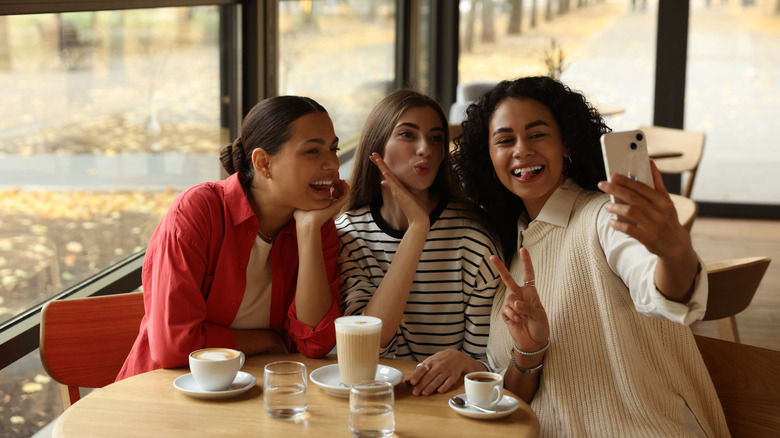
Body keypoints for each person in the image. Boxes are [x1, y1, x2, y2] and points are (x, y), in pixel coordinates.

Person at [452, 76, 729, 436]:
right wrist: (529, 353)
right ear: (489, 158)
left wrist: (674, 252)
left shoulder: (604, 218)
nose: (521, 149)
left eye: (537, 134)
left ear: (566, 144)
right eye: (505, 140)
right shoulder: (509, 252)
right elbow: (516, 397)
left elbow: (662, 292)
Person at [117, 96, 350, 380]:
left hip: (258, 398)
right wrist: (267, 341)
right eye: (313, 151)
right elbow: (175, 347)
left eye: (333, 148)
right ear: (263, 163)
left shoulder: (317, 224)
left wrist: (309, 230)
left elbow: (315, 343)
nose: (333, 163)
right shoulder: (199, 210)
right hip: (166, 395)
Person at [336, 89, 501, 397]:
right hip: (373, 400)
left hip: (450, 402)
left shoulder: (473, 239)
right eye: (408, 134)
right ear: (377, 146)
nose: (425, 148)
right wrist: (417, 230)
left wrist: (465, 362)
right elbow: (366, 348)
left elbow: (489, 364)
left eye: (436, 138)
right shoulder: (349, 233)